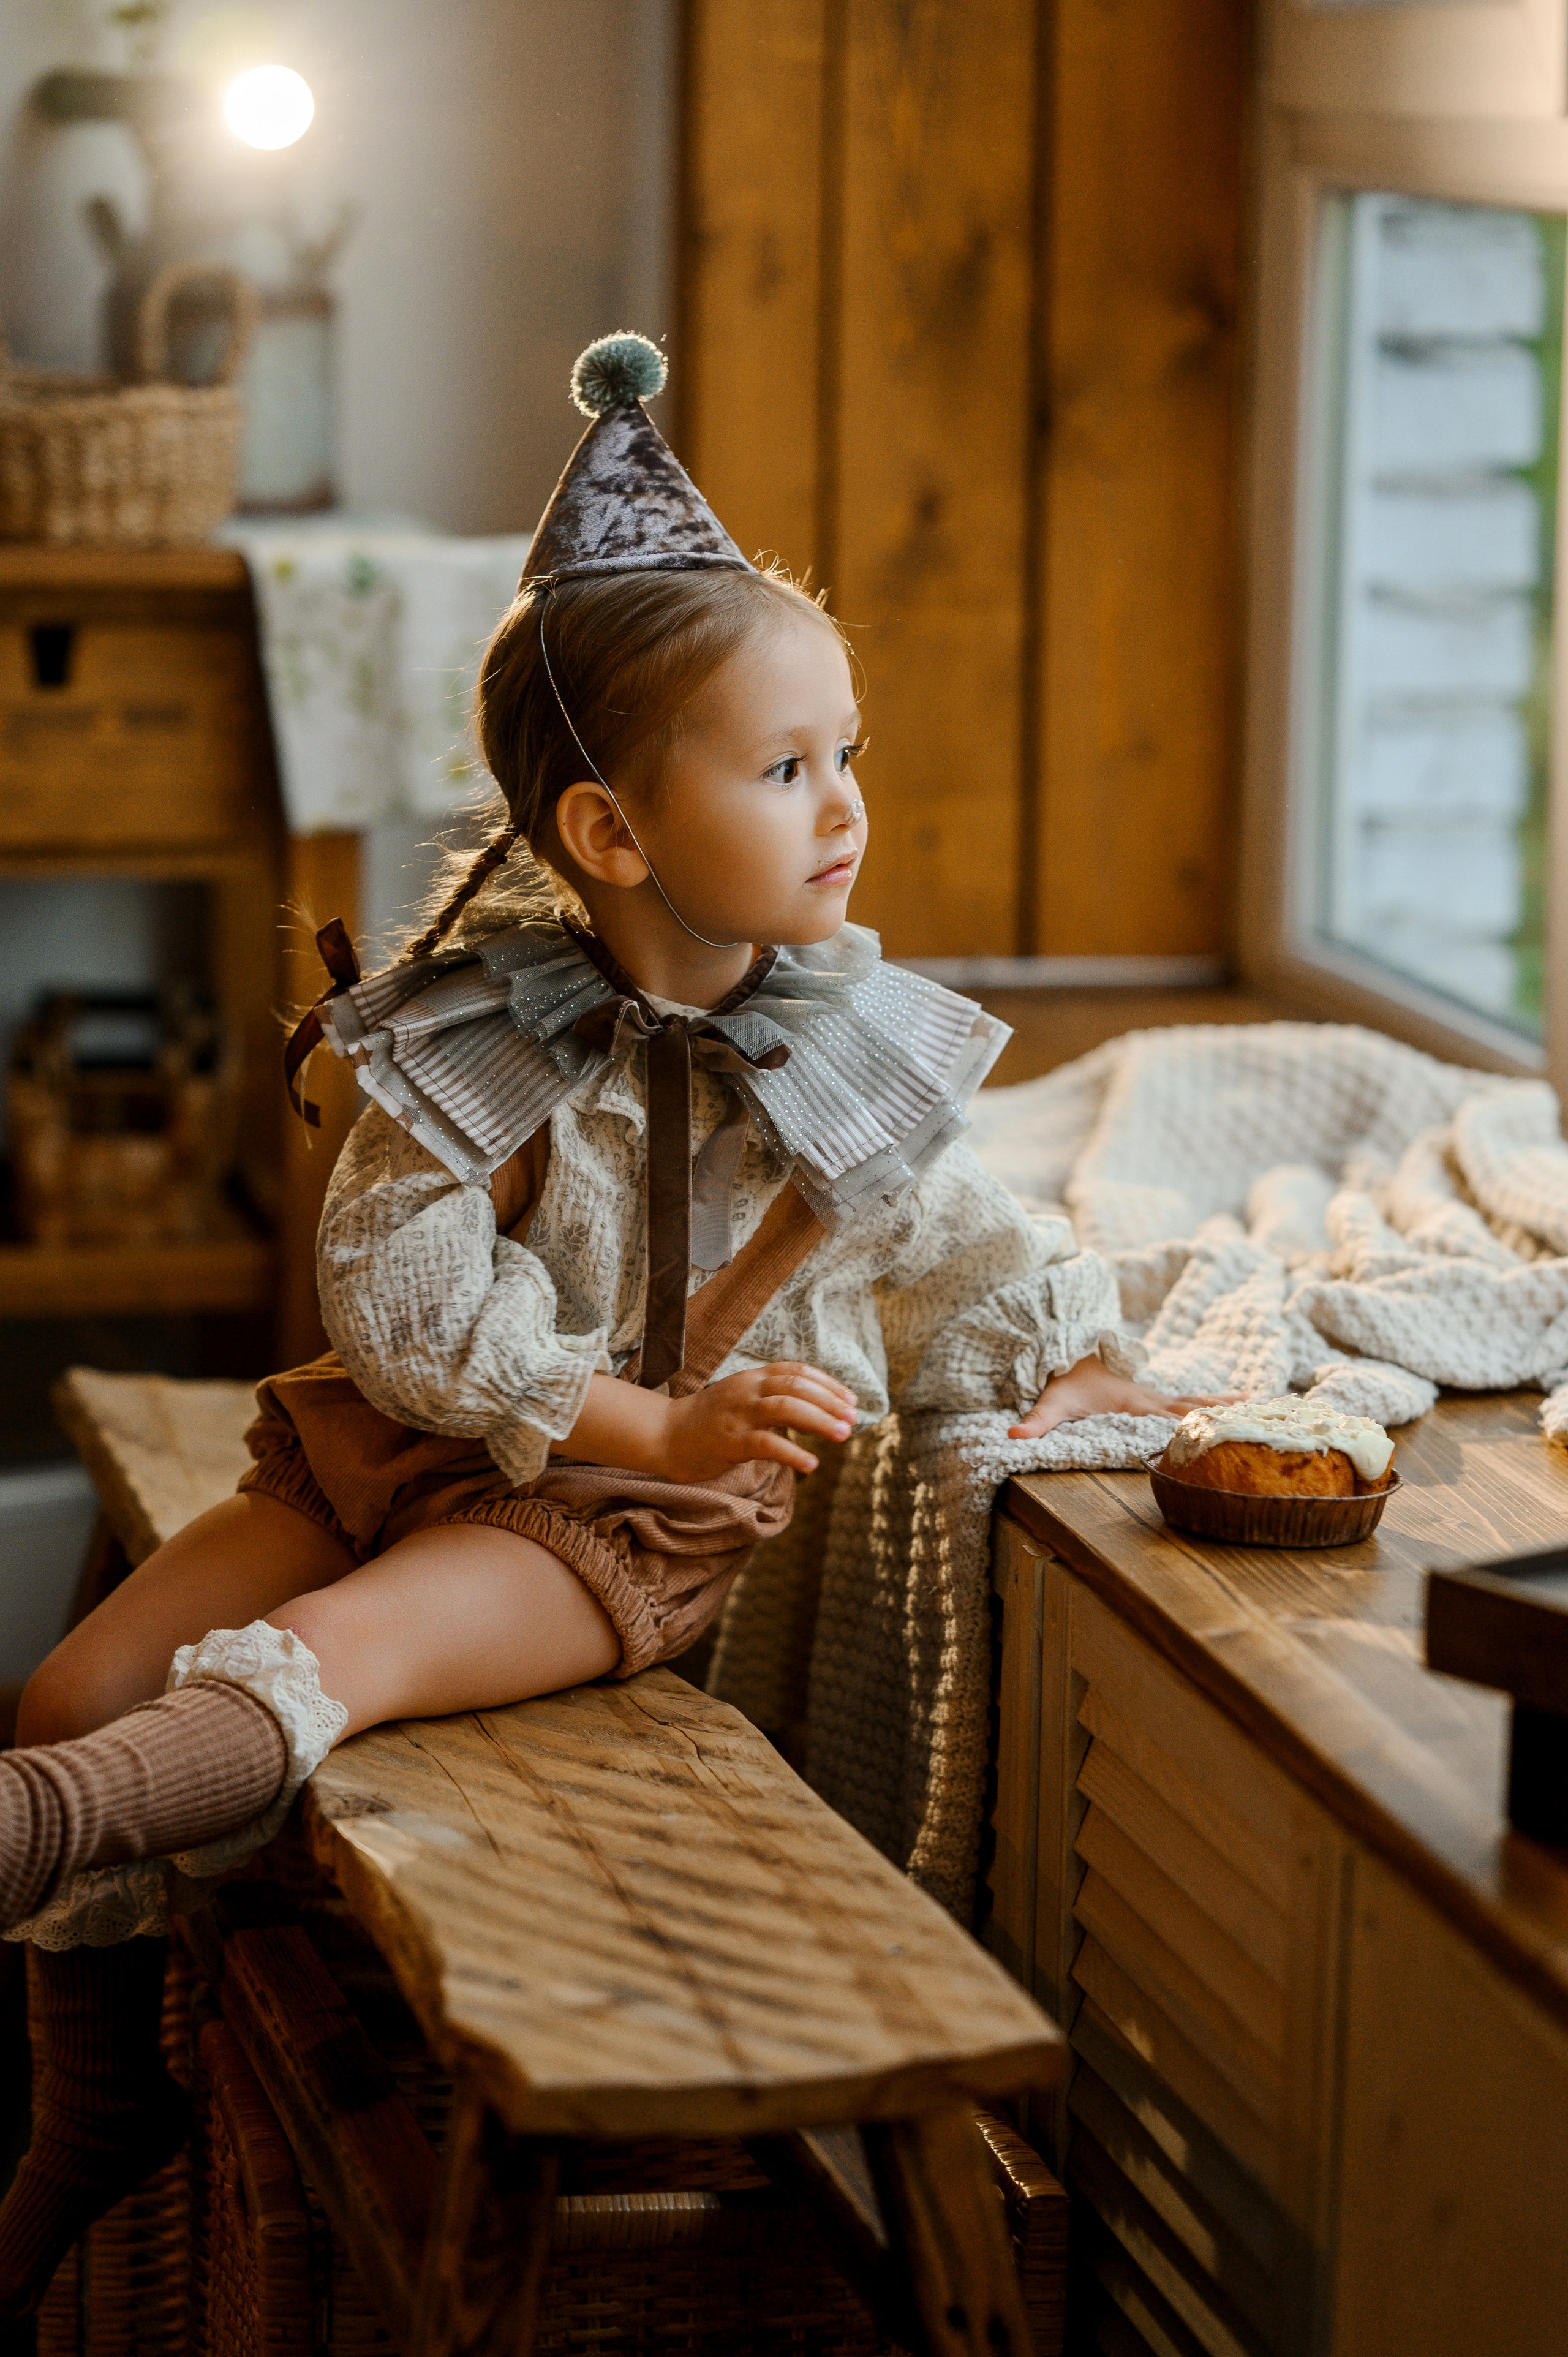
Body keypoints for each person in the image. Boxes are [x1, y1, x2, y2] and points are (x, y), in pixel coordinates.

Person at [0, 333, 1219, 2310]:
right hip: (404, 1446)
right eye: (785, 766)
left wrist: (1071, 1361)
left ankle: (30, 1839)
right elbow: (392, 1291)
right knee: (71, 1686)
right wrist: (611, 1403)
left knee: (310, 1654)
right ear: (608, 836)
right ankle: (92, 2101)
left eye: (850, 758)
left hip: (613, 1525)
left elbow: (964, 1244)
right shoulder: (486, 1021)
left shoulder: (837, 1049)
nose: (844, 809)